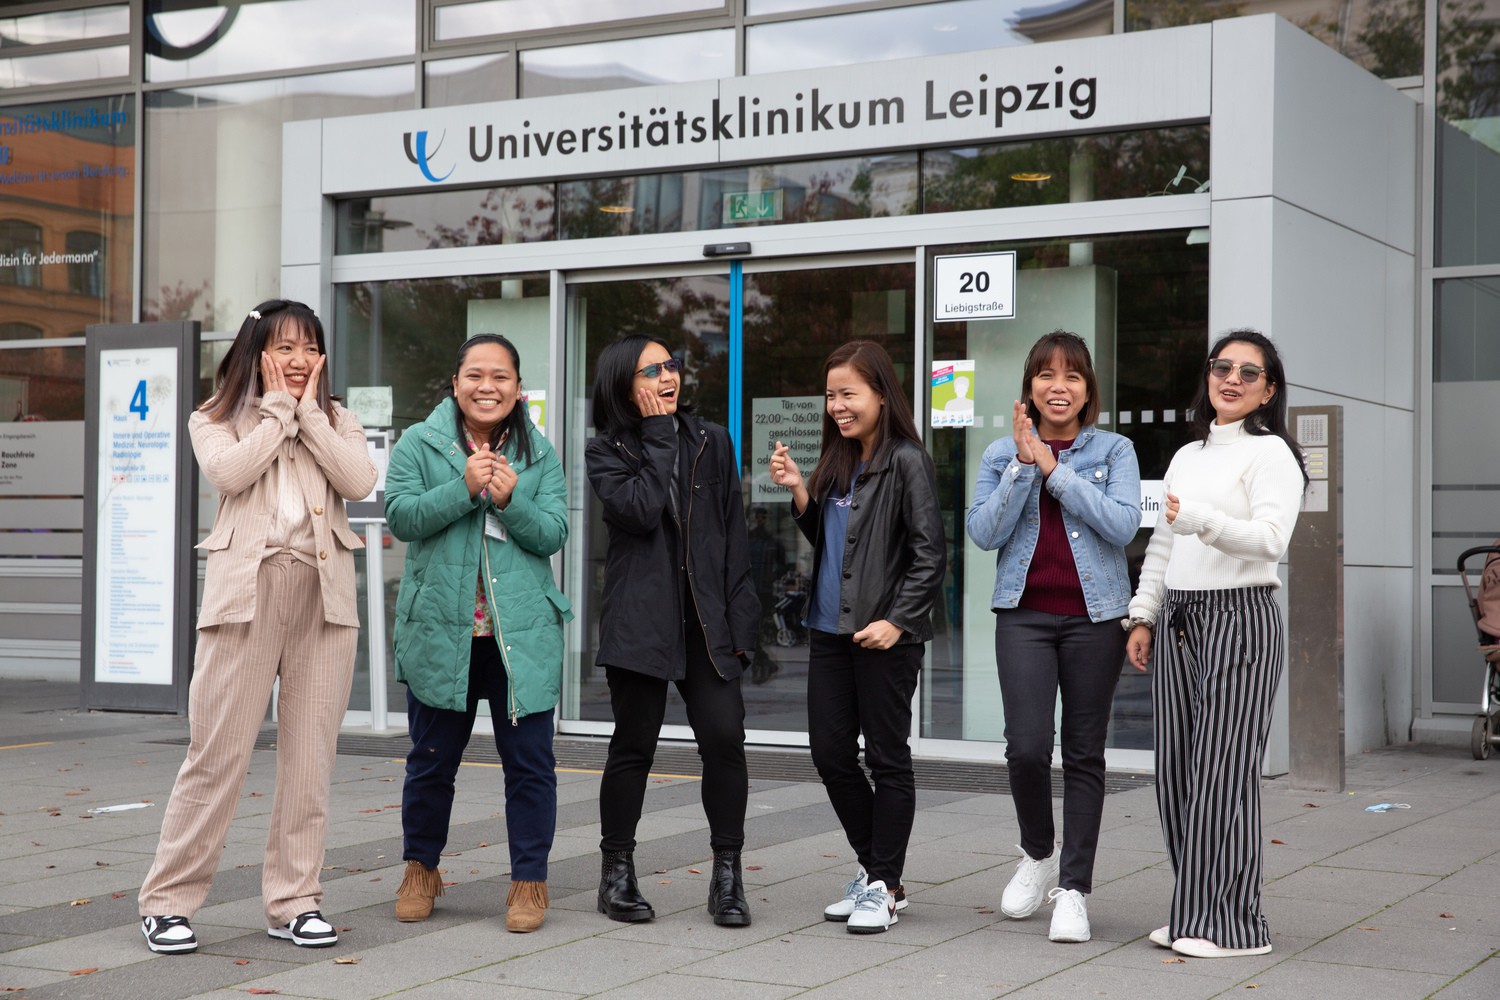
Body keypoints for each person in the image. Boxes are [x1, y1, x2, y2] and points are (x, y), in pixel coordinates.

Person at [138, 300, 377, 955]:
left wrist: (308, 416)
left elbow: (358, 479)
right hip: (244, 598)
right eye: (285, 348)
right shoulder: (215, 417)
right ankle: (166, 902)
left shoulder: (339, 419)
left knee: (309, 764)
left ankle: (295, 901)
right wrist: (277, 412)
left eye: (309, 348)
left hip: (323, 603)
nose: (299, 361)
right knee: (215, 757)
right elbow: (229, 473)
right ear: (257, 352)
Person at [1125, 329, 1306, 959]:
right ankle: (1195, 912)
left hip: (1241, 617)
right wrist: (1144, 613)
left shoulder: (1273, 454)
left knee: (1223, 776)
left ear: (1268, 390)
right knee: (1176, 773)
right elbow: (1163, 544)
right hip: (1179, 617)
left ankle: (1233, 926)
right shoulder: (1187, 456)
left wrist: (1197, 518)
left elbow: (1269, 540)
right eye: (1221, 367)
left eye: (1248, 373)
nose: (1231, 379)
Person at [384, 334, 572, 934]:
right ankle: (420, 869)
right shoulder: (419, 442)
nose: (486, 387)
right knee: (432, 761)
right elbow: (402, 517)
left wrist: (512, 500)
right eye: (474, 375)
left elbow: (553, 534)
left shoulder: (538, 453)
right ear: (456, 381)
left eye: (500, 377)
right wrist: (464, 487)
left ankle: (529, 882)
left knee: (530, 765)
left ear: (518, 388)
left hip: (519, 638)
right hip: (444, 633)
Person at [965, 330, 1142, 944]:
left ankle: (1074, 889)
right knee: (1026, 748)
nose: (1058, 386)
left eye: (1071, 376)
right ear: (1030, 387)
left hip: (1096, 619)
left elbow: (1122, 526)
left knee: (1085, 753)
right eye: (1046, 375)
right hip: (1024, 615)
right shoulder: (999, 453)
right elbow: (983, 534)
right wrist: (1022, 464)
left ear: (1088, 388)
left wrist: (1055, 471)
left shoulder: (1115, 449)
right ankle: (1039, 854)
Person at [768, 340, 945, 935]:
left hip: (883, 635)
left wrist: (897, 621)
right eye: (831, 395)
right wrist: (799, 489)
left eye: (849, 393)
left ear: (880, 394)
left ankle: (885, 885)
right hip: (829, 632)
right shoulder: (839, 460)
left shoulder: (906, 460)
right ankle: (877, 876)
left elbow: (929, 554)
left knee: (888, 758)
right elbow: (837, 543)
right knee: (831, 754)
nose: (837, 405)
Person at [585, 334, 760, 927]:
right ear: (621, 384)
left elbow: (734, 538)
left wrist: (744, 628)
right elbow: (636, 510)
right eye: (650, 370)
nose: (668, 376)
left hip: (706, 623)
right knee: (634, 747)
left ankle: (727, 878)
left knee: (724, 741)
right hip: (642, 622)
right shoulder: (606, 450)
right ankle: (616, 875)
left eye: (671, 365)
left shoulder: (712, 441)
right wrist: (658, 438)